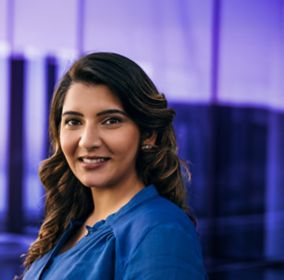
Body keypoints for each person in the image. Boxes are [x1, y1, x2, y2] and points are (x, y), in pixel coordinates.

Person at [21, 52, 206, 279]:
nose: (88, 141)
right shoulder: (70, 226)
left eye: (111, 121)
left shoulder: (160, 231)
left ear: (148, 134)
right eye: (74, 121)